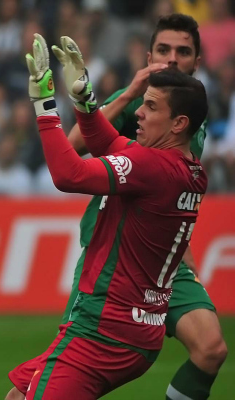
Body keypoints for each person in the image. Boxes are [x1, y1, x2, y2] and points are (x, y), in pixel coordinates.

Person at [5, 33, 208, 399]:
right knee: (18, 395)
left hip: (102, 331)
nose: (139, 113)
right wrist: (84, 98)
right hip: (139, 331)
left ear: (178, 124)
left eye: (150, 107)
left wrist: (44, 105)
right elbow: (107, 142)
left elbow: (70, 175)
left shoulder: (152, 167)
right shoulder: (186, 169)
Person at [65, 14, 227, 400]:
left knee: (211, 349)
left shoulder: (192, 113)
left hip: (165, 261)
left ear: (197, 63)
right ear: (148, 55)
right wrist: (126, 94)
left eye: (183, 52)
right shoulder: (137, 100)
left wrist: (182, 249)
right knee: (76, 371)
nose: (172, 59)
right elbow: (73, 145)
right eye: (164, 50)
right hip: (114, 257)